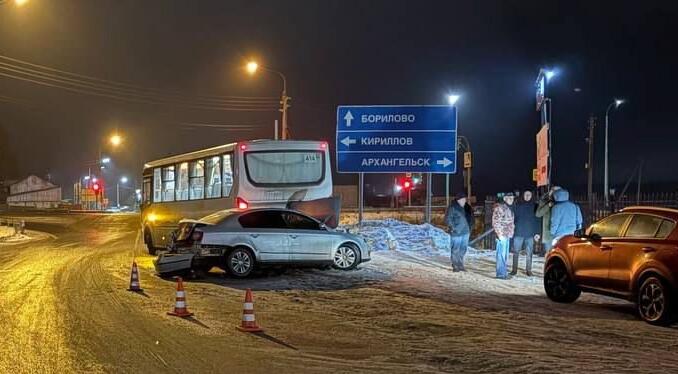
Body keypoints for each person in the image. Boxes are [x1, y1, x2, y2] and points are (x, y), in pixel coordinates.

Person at [511, 190, 541, 276]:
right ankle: (514, 270)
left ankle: (529, 270)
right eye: (526, 194)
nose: (527, 196)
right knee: (516, 252)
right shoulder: (518, 206)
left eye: (529, 195)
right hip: (519, 232)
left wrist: (537, 233)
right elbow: (513, 219)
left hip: (530, 233)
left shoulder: (535, 206)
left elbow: (538, 220)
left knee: (529, 253)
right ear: (523, 195)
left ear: (532, 196)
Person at [444, 193, 471, 272]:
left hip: (466, 232)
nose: (464, 201)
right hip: (456, 233)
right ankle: (455, 265)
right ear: (458, 200)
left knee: (463, 249)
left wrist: (471, 226)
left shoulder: (467, 207)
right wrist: (453, 228)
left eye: (465, 199)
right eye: (462, 200)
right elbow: (447, 219)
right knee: (455, 249)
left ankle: (460, 264)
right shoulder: (452, 207)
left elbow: (471, 217)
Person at [492, 193, 515, 279]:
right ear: (505, 199)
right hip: (502, 235)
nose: (511, 200)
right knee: (501, 255)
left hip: (507, 235)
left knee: (504, 255)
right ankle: (501, 274)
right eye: (509, 198)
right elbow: (495, 222)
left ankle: (503, 272)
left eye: (512, 198)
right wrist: (499, 234)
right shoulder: (500, 208)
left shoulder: (509, 208)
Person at [536, 186, 560, 253]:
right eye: (554, 191)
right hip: (548, 233)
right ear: (551, 192)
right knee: (549, 253)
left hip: (559, 233)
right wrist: (548, 205)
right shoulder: (544, 201)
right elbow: (538, 214)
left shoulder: (561, 202)